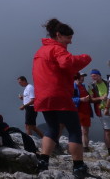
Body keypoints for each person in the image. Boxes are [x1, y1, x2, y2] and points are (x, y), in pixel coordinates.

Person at [32, 18, 91, 177]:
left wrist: (70, 74)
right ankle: (78, 167)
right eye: (68, 38)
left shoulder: (40, 51)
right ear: (58, 35)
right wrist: (85, 58)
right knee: (74, 130)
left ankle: (43, 162)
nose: (70, 42)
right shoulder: (57, 49)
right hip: (59, 95)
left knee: (52, 128)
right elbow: (67, 63)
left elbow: (54, 70)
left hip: (43, 96)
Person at [88, 68, 110, 156]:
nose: (93, 78)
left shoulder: (107, 82)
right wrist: (100, 98)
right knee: (107, 130)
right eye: (92, 76)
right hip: (101, 109)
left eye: (95, 75)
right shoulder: (91, 85)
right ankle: (109, 150)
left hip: (107, 107)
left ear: (99, 75)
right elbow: (91, 99)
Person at [73, 73, 92, 151]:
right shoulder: (73, 86)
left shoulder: (83, 86)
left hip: (86, 111)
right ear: (76, 77)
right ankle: (79, 147)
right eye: (81, 76)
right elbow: (69, 99)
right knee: (80, 130)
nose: (82, 78)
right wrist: (80, 99)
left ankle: (85, 148)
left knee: (86, 130)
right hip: (77, 111)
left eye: (83, 77)